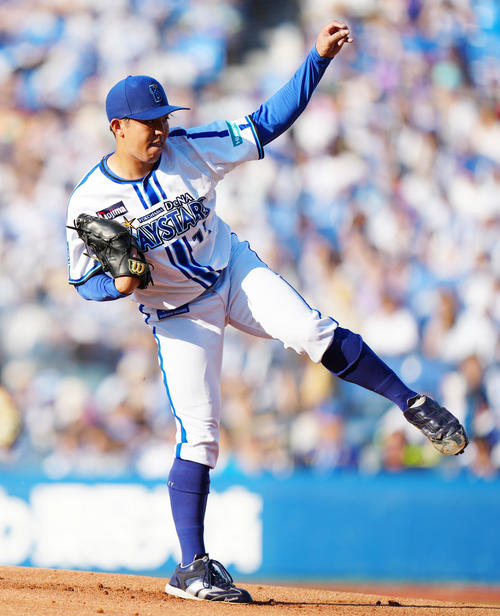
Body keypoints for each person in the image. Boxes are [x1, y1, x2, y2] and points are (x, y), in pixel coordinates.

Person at [66, 20, 468, 603]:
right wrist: (119, 286)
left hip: (232, 271)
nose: (160, 129)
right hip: (178, 312)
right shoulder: (90, 200)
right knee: (199, 437)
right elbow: (84, 283)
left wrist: (317, 59)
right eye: (149, 122)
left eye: (164, 118)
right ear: (117, 128)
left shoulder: (190, 149)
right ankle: (191, 568)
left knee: (311, 329)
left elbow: (265, 123)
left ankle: (413, 403)